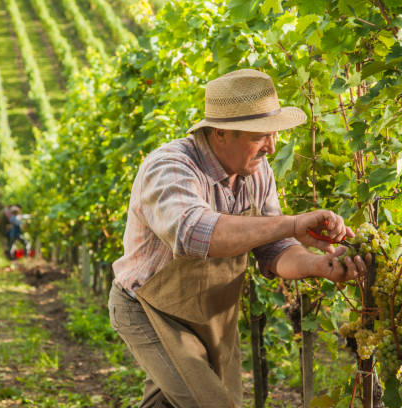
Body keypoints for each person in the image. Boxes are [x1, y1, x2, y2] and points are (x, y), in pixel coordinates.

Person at [108, 69, 370, 408]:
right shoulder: (171, 167)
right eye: (260, 136)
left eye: (274, 134)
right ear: (220, 133)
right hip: (148, 309)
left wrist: (320, 265)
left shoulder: (257, 173)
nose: (272, 147)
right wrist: (291, 224)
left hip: (212, 316)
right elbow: (196, 233)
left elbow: (275, 250)